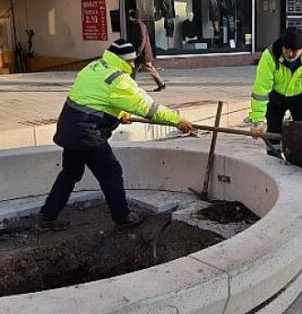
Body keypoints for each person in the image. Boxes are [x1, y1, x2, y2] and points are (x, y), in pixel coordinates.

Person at [36, 39, 195, 232]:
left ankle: (47, 216)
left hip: (70, 128)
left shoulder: (94, 66)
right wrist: (177, 120)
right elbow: (149, 109)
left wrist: (120, 113)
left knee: (70, 173)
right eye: (132, 61)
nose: (133, 65)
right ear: (124, 61)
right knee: (110, 172)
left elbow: (96, 97)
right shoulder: (118, 79)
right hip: (88, 133)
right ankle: (123, 218)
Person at [249, 28, 302, 157]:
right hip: (276, 98)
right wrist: (257, 120)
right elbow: (260, 91)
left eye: (294, 51)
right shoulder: (270, 56)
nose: (289, 53)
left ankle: (299, 160)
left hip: (300, 98)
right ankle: (274, 159)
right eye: (286, 49)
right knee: (273, 130)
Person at [127, 9, 166, 92]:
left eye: (130, 16)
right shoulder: (137, 24)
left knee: (148, 67)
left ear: (133, 17)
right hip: (139, 52)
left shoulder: (140, 25)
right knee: (132, 68)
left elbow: (142, 40)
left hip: (142, 53)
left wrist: (138, 52)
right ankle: (130, 85)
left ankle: (161, 83)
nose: (129, 18)